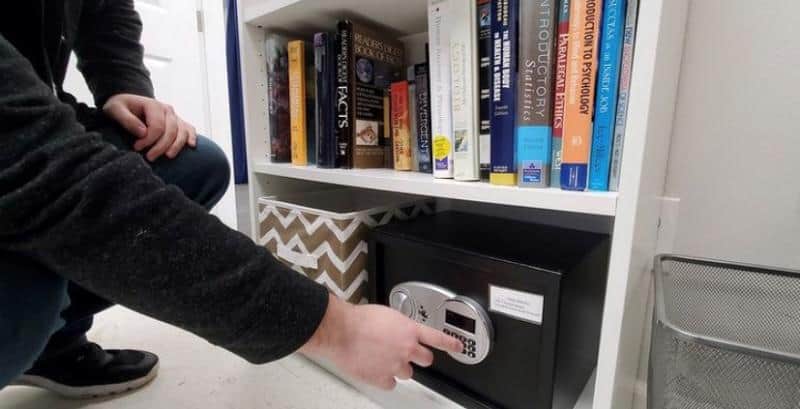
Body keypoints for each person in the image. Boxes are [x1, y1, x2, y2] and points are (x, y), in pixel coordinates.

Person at [0, 0, 462, 400]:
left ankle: (53, 344)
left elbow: (108, 11)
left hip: (38, 112)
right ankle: (37, 330)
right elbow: (58, 184)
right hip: (17, 137)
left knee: (196, 164)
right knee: (26, 299)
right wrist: (337, 328)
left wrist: (125, 85)